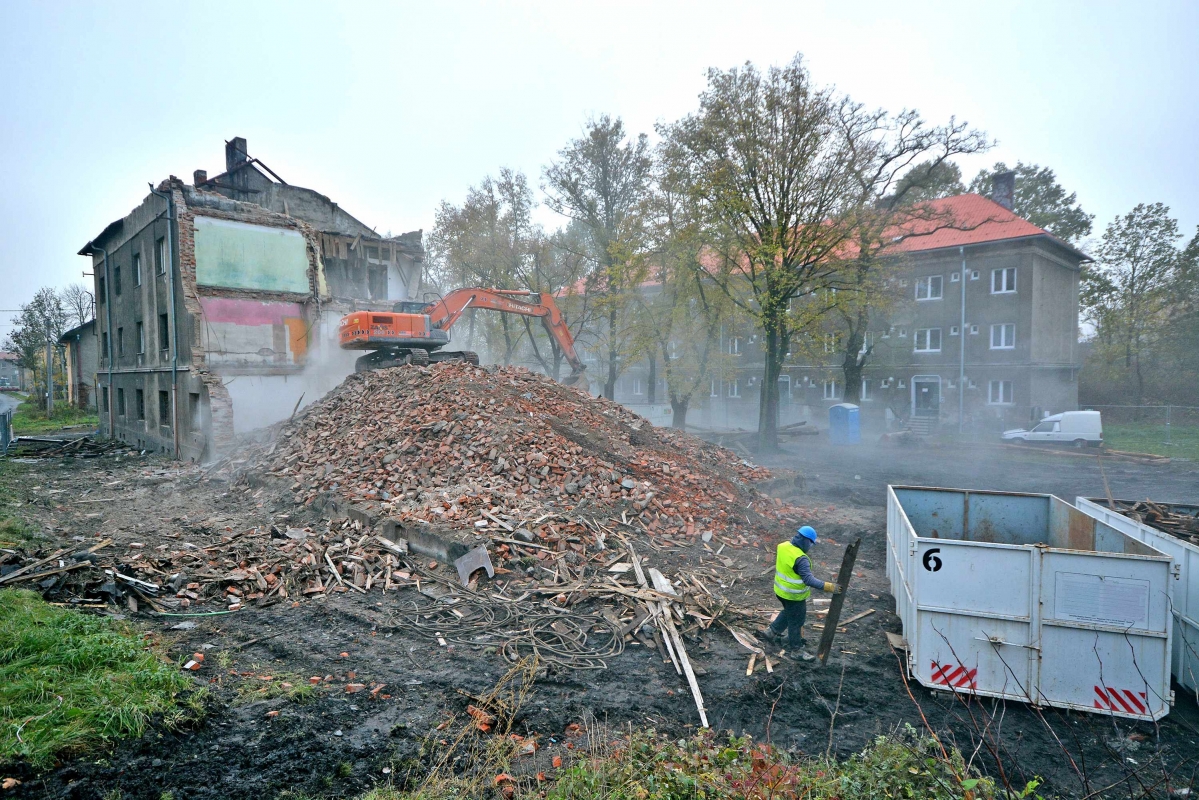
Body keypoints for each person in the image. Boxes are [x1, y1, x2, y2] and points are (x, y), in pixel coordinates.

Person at [760, 525, 840, 657]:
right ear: (806, 541)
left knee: (789, 613)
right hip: (793, 596)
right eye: (811, 544)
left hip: (780, 592)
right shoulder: (801, 559)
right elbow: (809, 580)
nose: (810, 547)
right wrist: (830, 587)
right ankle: (796, 650)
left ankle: (771, 632)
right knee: (796, 621)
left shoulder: (783, 546)